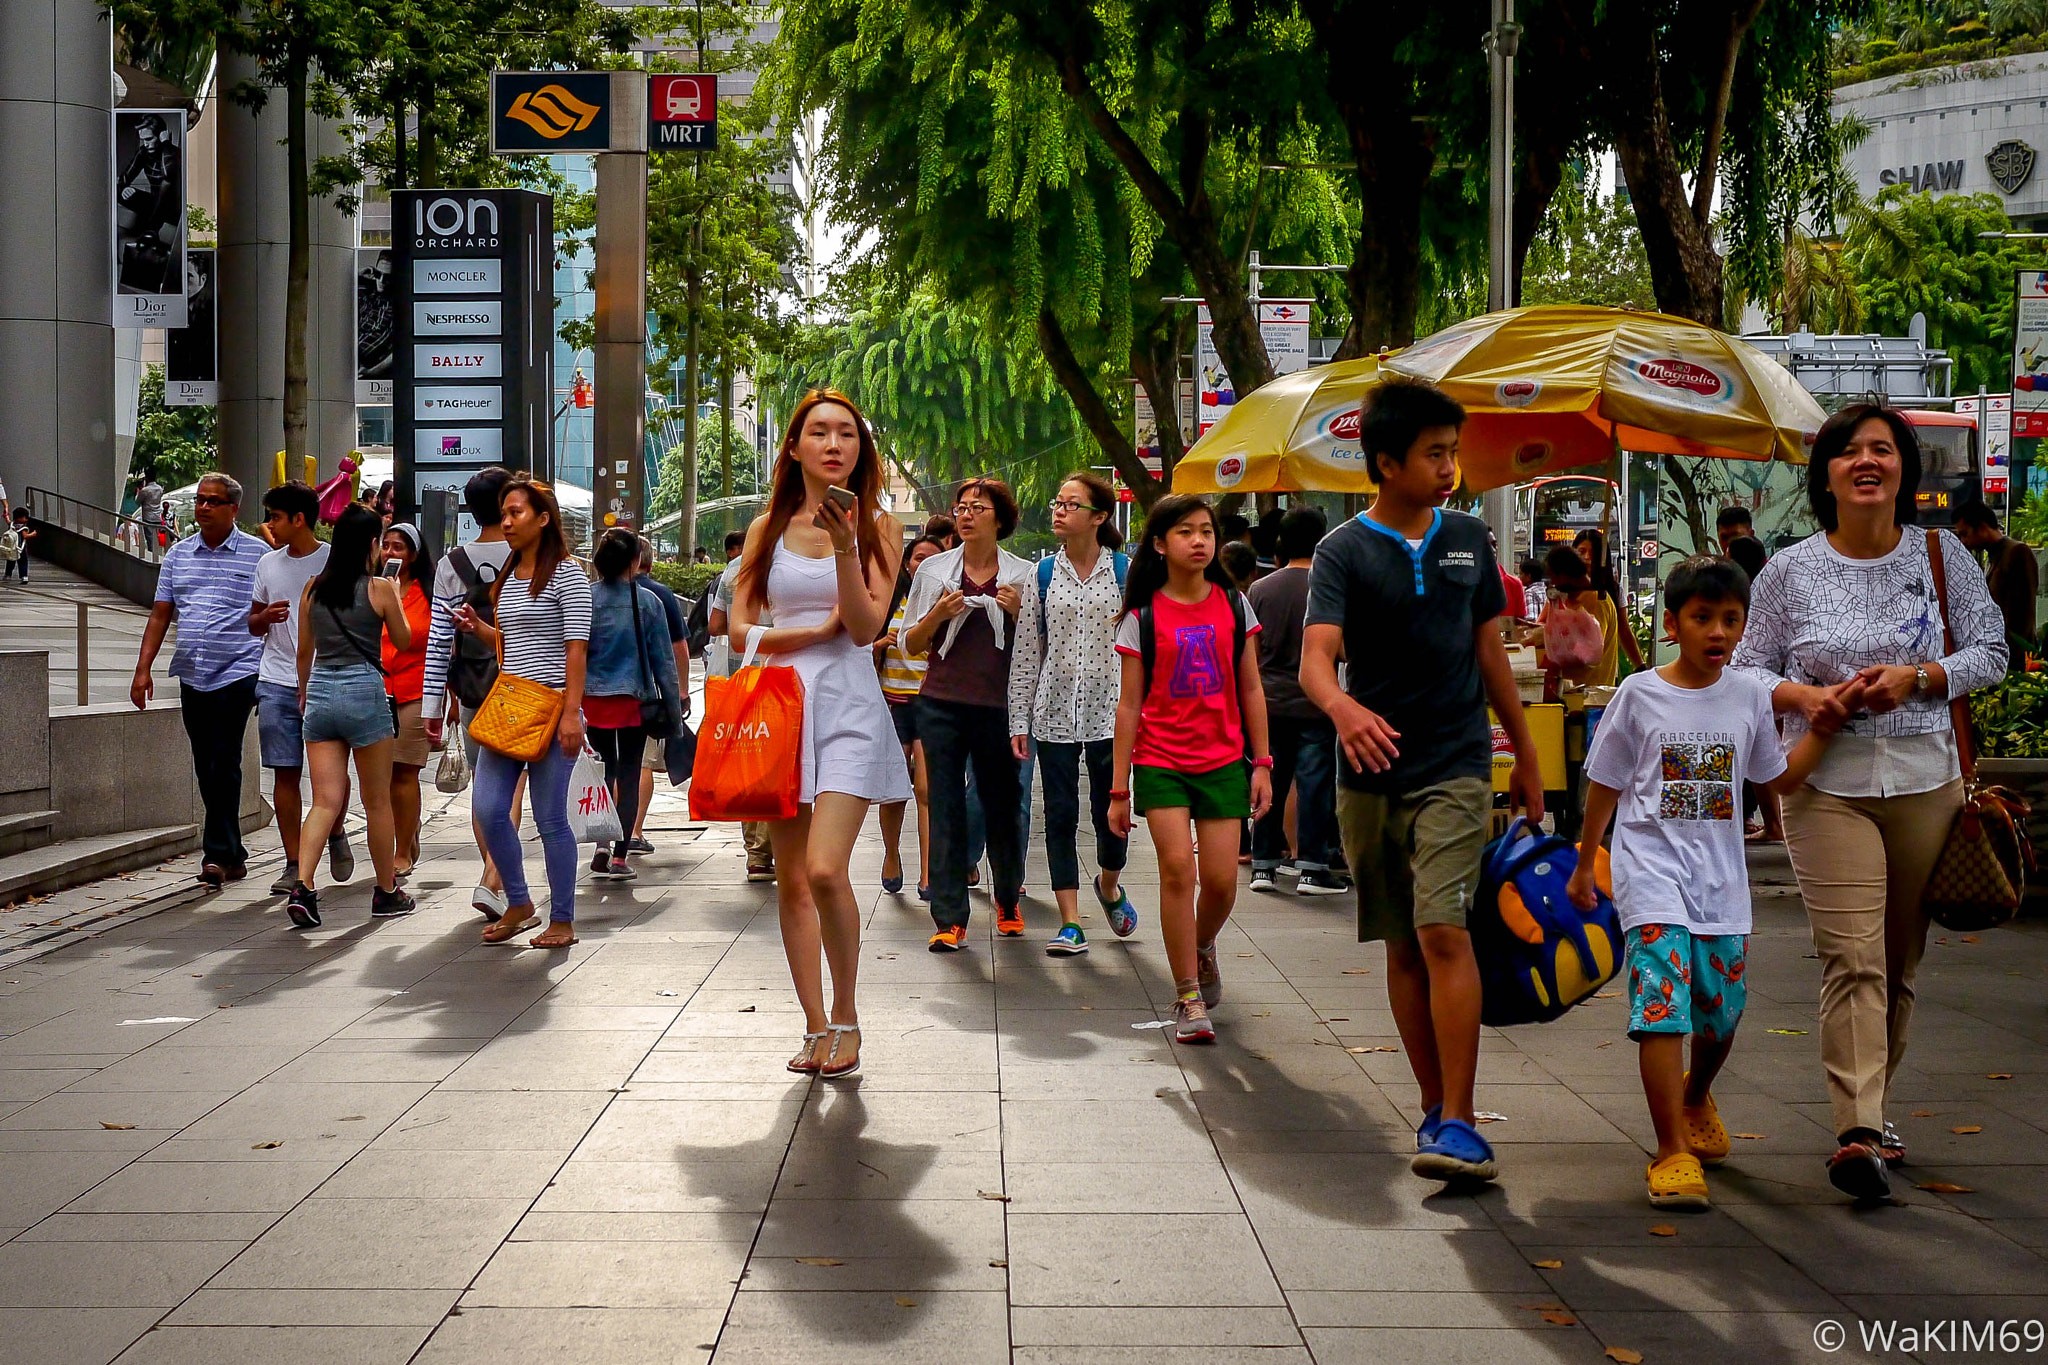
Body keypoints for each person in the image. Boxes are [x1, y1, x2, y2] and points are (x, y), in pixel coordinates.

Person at [1733, 404, 2007, 1202]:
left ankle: (1878, 1113)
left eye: (1882, 450)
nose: (1866, 461)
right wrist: (1807, 696)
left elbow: (1990, 650)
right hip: (1828, 786)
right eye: (1848, 450)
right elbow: (1747, 670)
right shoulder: (1788, 570)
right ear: (1825, 475)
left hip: (1928, 780)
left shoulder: (1943, 554)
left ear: (1902, 470)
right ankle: (1855, 1129)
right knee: (1851, 956)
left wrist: (1917, 678)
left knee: (1899, 958)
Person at [1299, 378, 1546, 1187]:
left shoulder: (1471, 540)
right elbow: (1316, 660)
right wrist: (1342, 709)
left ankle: (1465, 1120)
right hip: (1368, 774)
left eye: (1453, 451)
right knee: (1403, 943)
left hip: (1455, 763)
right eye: (1435, 453)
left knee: (1445, 928)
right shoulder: (1342, 552)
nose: (1450, 467)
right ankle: (1437, 1106)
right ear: (1385, 461)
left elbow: (1489, 656)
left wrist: (1530, 755)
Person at [1569, 556, 1860, 1209]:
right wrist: (1589, 862)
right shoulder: (1639, 694)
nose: (1718, 631)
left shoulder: (1750, 697)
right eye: (1703, 617)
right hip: (1650, 875)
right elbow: (1606, 784)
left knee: (1721, 1015)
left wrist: (1822, 731)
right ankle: (1671, 1149)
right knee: (1661, 1006)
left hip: (1722, 882)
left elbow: (1775, 777)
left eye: (1731, 619)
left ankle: (1697, 1094)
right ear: (1673, 623)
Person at [729, 388, 910, 1078]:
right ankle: (813, 1023)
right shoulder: (764, 529)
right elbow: (739, 627)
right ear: (796, 446)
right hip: (780, 708)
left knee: (827, 867)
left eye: (848, 434)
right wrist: (805, 633)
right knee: (792, 879)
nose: (835, 443)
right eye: (820, 432)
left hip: (850, 707)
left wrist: (843, 546)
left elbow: (864, 629)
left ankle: (847, 1014)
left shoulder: (880, 529)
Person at [1107, 495, 1271, 1042]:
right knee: (1179, 871)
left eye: (1206, 531)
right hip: (1161, 762)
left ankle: (1202, 947)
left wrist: (1263, 762)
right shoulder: (1141, 617)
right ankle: (1187, 996)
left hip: (1224, 760)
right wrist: (1118, 789)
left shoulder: (1234, 605)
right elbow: (1128, 705)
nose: (1199, 541)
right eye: (1185, 532)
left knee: (1222, 882)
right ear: (1160, 544)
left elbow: (1251, 686)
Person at [1008, 472, 1140, 956]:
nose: (1059, 511)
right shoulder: (1041, 576)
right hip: (1053, 713)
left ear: (1099, 517)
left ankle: (1109, 884)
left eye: (1071, 504)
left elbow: (1144, 649)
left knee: (1111, 814)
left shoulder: (1127, 572)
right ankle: (1070, 922)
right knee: (1059, 815)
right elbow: (1027, 653)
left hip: (1113, 714)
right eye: (1056, 502)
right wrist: (1018, 723)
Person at [456, 475, 591, 949]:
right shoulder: (508, 577)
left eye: (516, 513)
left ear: (544, 518)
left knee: (551, 818)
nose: (507, 522)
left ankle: (563, 917)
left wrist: (573, 713)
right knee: (489, 808)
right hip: (510, 707)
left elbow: (577, 648)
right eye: (504, 513)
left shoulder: (568, 574)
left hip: (554, 707)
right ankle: (518, 900)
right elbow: (512, 646)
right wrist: (479, 630)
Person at [901, 477, 1033, 951]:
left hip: (998, 707)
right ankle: (949, 915)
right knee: (945, 806)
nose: (967, 513)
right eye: (961, 507)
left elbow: (1034, 649)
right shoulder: (934, 571)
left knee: (1001, 807)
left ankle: (1007, 898)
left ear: (1000, 518)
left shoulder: (1022, 575)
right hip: (940, 703)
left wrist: (1018, 614)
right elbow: (910, 643)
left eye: (978, 507)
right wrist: (937, 615)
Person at [132, 473, 269, 887]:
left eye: (213, 501)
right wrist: (143, 669)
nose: (204, 508)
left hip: (239, 670)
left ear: (233, 509)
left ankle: (216, 854)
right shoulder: (178, 555)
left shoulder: (258, 555)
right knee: (205, 762)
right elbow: (161, 613)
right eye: (201, 501)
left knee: (223, 758)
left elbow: (271, 616)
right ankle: (233, 852)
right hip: (193, 672)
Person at [283, 504, 415, 927]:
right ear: (372, 545)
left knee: (324, 801)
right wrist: (393, 593)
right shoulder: (379, 588)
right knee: (376, 802)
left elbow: (304, 651)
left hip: (321, 690)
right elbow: (404, 640)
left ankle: (303, 886)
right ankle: (386, 891)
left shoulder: (311, 588)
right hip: (364, 692)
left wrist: (304, 691)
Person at [422, 467, 520, 921]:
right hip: (523, 687)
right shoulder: (529, 554)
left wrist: (432, 706)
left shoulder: (450, 564)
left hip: (473, 690)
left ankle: (492, 875)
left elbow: (440, 640)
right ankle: (493, 877)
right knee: (512, 788)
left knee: (486, 788)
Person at [249, 481, 355, 895]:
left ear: (299, 519)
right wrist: (265, 619)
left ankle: (336, 830)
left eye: (275, 517)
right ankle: (293, 862)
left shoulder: (334, 561)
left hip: (327, 677)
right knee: (285, 772)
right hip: (275, 680)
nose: (270, 525)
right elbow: (252, 621)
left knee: (332, 775)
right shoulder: (267, 564)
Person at [1248, 507, 1346, 897]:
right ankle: (1312, 868)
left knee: (1270, 781)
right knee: (1314, 786)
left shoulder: (1260, 589)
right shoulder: (1328, 588)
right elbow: (1342, 650)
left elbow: (1251, 655)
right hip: (1316, 705)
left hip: (1269, 705)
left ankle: (1263, 866)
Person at [583, 527, 682, 882]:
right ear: (635, 561)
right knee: (627, 773)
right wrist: (674, 708)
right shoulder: (648, 603)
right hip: (632, 703)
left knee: (602, 774)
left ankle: (600, 844)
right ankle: (622, 855)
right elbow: (664, 663)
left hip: (591, 702)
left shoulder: (586, 598)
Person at [877, 533, 947, 898]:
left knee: (926, 789)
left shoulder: (947, 604)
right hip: (891, 704)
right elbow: (861, 646)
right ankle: (891, 855)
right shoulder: (890, 602)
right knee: (893, 790)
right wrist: (878, 645)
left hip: (931, 704)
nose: (924, 564)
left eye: (933, 559)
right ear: (907, 563)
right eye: (918, 557)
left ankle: (928, 873)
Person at [708, 527, 775, 882]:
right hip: (777, 677)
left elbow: (716, 624)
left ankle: (754, 852)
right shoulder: (781, 565)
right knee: (772, 761)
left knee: (747, 760)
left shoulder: (732, 572)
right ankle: (767, 850)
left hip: (737, 679)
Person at [627, 536, 689, 855]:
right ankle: (633, 832)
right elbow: (678, 648)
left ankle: (608, 831)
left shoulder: (599, 594)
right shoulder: (661, 595)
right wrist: (680, 692)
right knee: (644, 762)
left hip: (606, 693)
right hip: (649, 691)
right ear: (648, 562)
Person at [381, 523, 435, 882]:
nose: (390, 554)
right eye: (385, 546)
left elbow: (436, 643)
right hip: (376, 690)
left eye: (399, 547)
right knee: (381, 777)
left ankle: (402, 850)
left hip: (414, 690)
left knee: (404, 772)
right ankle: (406, 834)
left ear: (414, 555)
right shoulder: (372, 588)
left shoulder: (426, 593)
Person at [1953, 500, 2038, 657]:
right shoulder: (1993, 556)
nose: (1963, 541)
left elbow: (2022, 615)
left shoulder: (2018, 552)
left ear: (1982, 527)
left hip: (2015, 657)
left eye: (1965, 534)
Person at [1573, 528, 1648, 677]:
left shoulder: (1610, 591)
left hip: (1601, 676)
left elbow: (1624, 630)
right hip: (1571, 677)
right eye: (1582, 552)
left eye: (1593, 554)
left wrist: (1640, 667)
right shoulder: (1562, 592)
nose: (1587, 558)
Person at [1538, 545, 1616, 688]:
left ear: (1563, 575)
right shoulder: (1573, 600)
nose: (1553, 584)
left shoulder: (1594, 600)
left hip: (1591, 693)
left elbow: (1589, 653)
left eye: (1553, 577)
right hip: (1575, 689)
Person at [1491, 531, 1525, 619]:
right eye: (1486, 545)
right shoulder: (1467, 585)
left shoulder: (1514, 584)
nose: (1493, 550)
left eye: (1494, 545)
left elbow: (1520, 623)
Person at [3, 507, 33, 582]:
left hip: (11, 547)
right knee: (23, 561)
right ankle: (23, 576)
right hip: (21, 548)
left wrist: (6, 515)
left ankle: (8, 575)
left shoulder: (12, 524)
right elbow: (25, 536)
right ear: (21, 518)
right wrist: (33, 534)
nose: (26, 519)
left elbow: (8, 521)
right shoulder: (24, 527)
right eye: (25, 517)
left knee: (10, 561)